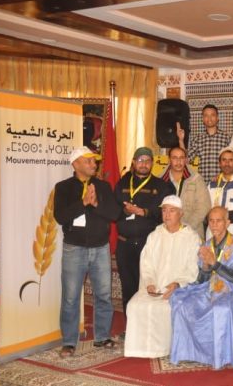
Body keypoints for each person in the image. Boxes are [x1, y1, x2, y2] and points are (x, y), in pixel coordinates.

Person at [169, 206, 233, 371]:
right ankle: (189, 351)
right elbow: (202, 279)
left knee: (220, 309)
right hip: (209, 288)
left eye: (218, 221)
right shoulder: (207, 245)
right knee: (182, 304)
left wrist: (215, 264)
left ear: (227, 223)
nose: (214, 225)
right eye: (211, 221)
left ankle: (220, 356)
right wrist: (206, 267)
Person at [53, 147, 121, 356]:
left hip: (100, 248)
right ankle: (69, 341)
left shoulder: (103, 186)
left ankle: (102, 337)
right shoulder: (63, 187)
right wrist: (83, 203)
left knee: (104, 295)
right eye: (89, 161)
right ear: (75, 164)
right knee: (71, 297)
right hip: (74, 249)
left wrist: (97, 203)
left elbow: (115, 214)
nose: (94, 164)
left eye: (94, 161)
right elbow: (60, 217)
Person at [124, 195, 200, 358]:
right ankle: (141, 349)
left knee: (165, 308)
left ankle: (164, 349)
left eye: (172, 211)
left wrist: (177, 285)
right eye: (164, 210)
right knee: (134, 305)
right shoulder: (155, 235)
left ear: (181, 213)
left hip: (179, 289)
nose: (167, 215)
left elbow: (193, 269)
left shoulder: (191, 238)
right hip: (154, 288)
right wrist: (150, 283)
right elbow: (146, 264)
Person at [114, 147, 172, 316]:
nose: (144, 164)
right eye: (140, 160)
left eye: (147, 161)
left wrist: (144, 212)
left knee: (149, 286)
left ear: (152, 163)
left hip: (148, 244)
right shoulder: (122, 183)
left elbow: (165, 214)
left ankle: (147, 324)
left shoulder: (161, 186)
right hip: (124, 244)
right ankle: (129, 325)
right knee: (128, 287)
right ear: (133, 162)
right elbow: (113, 211)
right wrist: (125, 211)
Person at [161, 146, 210, 239]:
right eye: (174, 158)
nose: (178, 161)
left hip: (192, 233)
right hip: (166, 234)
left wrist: (184, 228)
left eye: (181, 158)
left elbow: (203, 207)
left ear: (186, 160)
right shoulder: (160, 180)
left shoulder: (196, 179)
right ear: (169, 160)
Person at [180, 104, 232, 182]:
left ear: (217, 118)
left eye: (212, 115)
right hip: (203, 184)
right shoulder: (197, 139)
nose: (209, 118)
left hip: (222, 183)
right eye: (206, 115)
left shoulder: (226, 137)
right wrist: (181, 140)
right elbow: (186, 160)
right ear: (203, 119)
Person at [207, 146, 233, 238]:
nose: (227, 163)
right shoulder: (212, 184)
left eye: (231, 160)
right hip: (213, 232)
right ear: (219, 163)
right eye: (224, 160)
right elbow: (206, 209)